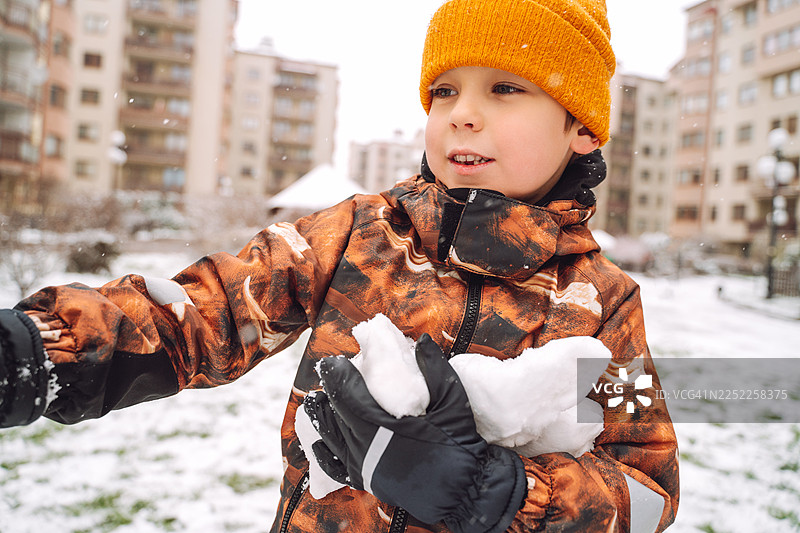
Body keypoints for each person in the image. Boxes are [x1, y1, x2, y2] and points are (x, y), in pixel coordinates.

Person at [0, 0, 679, 531]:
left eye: (505, 88)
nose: (461, 115)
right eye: (443, 90)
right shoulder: (360, 235)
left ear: (583, 126)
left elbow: (646, 488)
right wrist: (41, 350)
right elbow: (208, 312)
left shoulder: (604, 303)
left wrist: (496, 492)